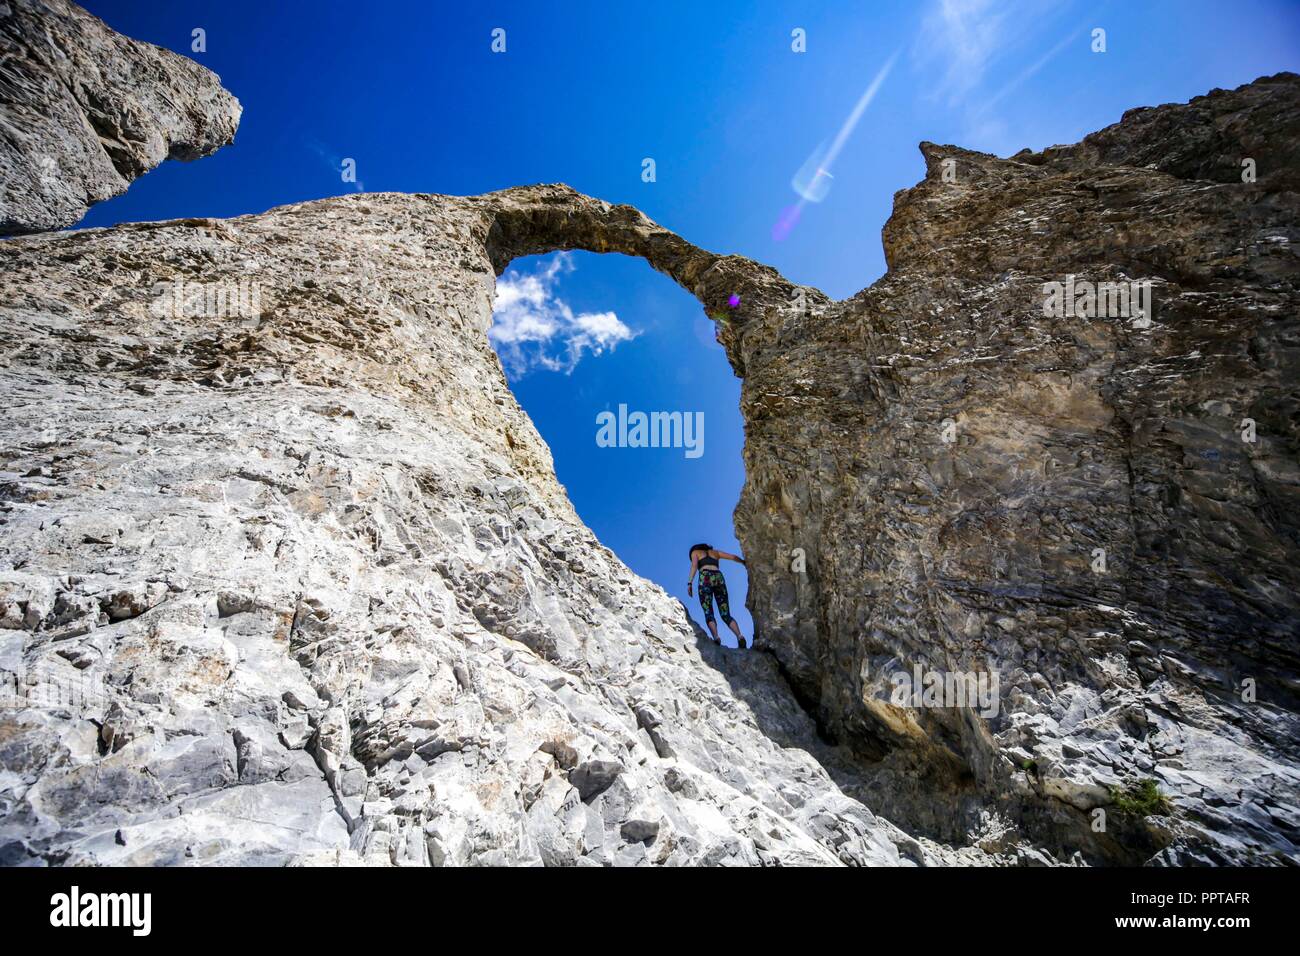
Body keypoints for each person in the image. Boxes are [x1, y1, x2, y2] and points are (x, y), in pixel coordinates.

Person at [686, 543, 748, 648]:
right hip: (718, 577)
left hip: (705, 578)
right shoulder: (716, 553)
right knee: (725, 613)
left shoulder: (695, 552)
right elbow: (732, 557)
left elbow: (694, 566)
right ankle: (740, 636)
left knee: (708, 612)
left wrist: (689, 583)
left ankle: (716, 637)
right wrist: (743, 562)